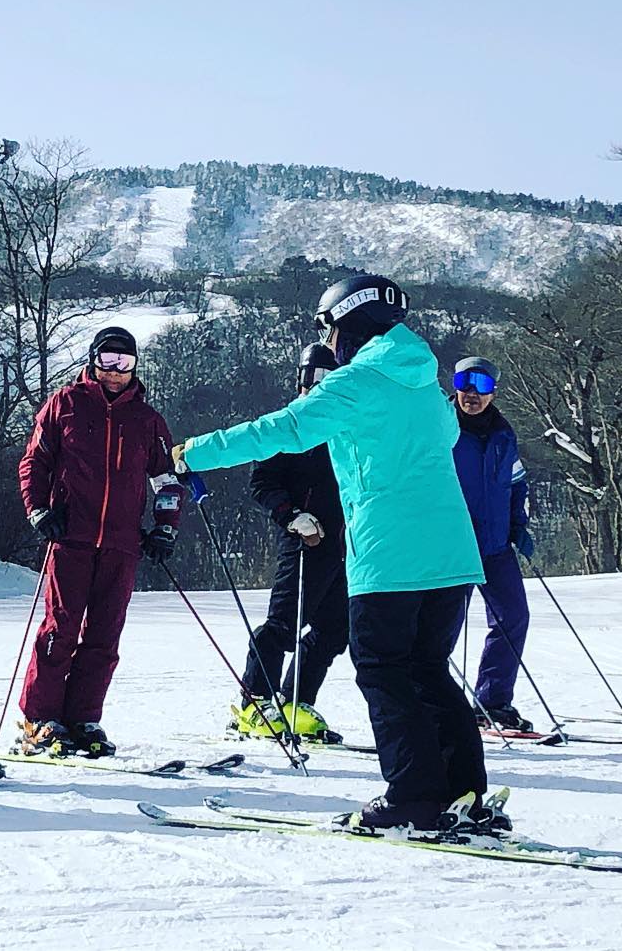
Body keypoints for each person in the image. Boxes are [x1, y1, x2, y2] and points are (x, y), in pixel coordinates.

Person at [176, 276, 494, 835]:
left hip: (389, 550)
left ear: (348, 322)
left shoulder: (355, 383)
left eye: (327, 327)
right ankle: (462, 790)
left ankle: (414, 798)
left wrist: (194, 451)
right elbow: (445, 439)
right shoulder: (426, 385)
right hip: (451, 551)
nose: (327, 338)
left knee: (383, 668)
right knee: (427, 669)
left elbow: (286, 429)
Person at [15, 326, 183, 757]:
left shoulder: (146, 420)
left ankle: (84, 717)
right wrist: (38, 510)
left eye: (124, 364)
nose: (115, 372)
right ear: (92, 362)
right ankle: (40, 718)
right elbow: (35, 460)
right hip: (71, 536)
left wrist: (165, 526)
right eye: (107, 362)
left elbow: (166, 479)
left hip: (121, 543)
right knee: (62, 628)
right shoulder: (66, 405)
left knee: (105, 635)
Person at [233, 341, 348, 744]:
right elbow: (261, 481)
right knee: (283, 623)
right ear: (299, 379)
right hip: (304, 538)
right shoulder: (285, 424)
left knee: (335, 631)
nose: (316, 386)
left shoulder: (344, 426)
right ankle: (254, 701)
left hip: (344, 544)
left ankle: (294, 700)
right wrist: (290, 516)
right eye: (310, 377)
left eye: (327, 378)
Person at [450, 355, 535, 732]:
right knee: (443, 629)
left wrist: (519, 523)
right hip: (450, 544)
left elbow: (516, 483)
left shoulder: (504, 433)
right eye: (466, 383)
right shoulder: (441, 428)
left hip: (495, 545)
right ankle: (434, 704)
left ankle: (493, 702)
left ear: (493, 392)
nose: (472, 393)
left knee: (513, 617)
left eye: (482, 386)